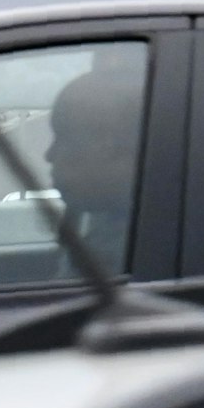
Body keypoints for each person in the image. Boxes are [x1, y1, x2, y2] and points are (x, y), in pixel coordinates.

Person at [43, 68, 146, 271]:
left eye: (64, 138)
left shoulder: (132, 255)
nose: (49, 155)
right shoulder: (105, 228)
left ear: (108, 143)